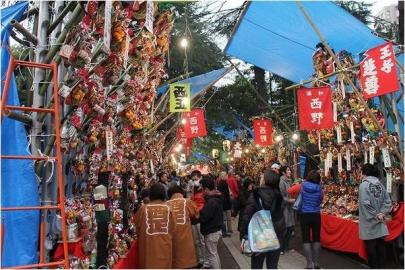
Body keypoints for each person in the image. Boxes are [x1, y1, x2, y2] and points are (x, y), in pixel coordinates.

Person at [241, 169, 285, 269]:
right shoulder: (279, 196)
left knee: (256, 265)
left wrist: (244, 235)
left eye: (262, 177)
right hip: (275, 236)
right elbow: (281, 218)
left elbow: (247, 216)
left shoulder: (256, 195)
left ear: (265, 180)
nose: (260, 178)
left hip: (259, 236)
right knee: (272, 266)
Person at [134, 183, 175, 268]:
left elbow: (136, 226)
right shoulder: (168, 208)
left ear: (151, 195)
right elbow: (173, 229)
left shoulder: (143, 209)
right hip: (164, 246)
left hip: (148, 247)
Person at [358, 164, 392, 269]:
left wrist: (375, 215)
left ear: (364, 173)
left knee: (371, 247)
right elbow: (387, 201)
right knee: (381, 244)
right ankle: (382, 266)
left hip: (369, 221)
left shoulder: (363, 185)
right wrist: (382, 213)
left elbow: (364, 203)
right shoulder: (380, 184)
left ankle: (374, 267)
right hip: (381, 219)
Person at [167, 185, 199, 268]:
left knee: (174, 261)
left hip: (170, 240)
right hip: (186, 239)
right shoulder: (187, 202)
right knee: (187, 262)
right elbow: (196, 215)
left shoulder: (166, 204)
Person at [299, 170, 323, 269]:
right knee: (316, 239)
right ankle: (316, 262)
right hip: (316, 215)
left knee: (306, 239)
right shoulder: (320, 188)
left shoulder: (302, 186)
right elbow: (320, 200)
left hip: (304, 214)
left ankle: (309, 264)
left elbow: (300, 197)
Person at [200, 177, 223, 269]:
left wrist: (198, 214)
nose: (202, 191)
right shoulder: (214, 198)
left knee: (212, 255)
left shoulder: (212, 201)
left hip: (212, 231)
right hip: (214, 230)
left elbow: (205, 216)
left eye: (202, 188)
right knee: (214, 254)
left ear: (206, 189)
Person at [190, 170, 207, 268]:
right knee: (196, 240)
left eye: (195, 177)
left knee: (202, 240)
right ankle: (200, 259)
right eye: (193, 177)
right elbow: (192, 200)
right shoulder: (193, 188)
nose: (194, 179)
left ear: (200, 177)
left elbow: (203, 203)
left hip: (200, 216)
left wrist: (196, 210)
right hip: (194, 217)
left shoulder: (204, 189)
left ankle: (205, 260)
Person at [279, 166, 295, 254]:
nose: (290, 171)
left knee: (290, 227)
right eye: (288, 170)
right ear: (283, 172)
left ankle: (286, 247)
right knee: (285, 227)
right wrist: (289, 200)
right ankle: (281, 248)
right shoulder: (281, 181)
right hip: (284, 207)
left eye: (289, 170)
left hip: (290, 207)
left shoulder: (290, 180)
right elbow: (282, 196)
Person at [218, 171, 233, 236]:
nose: (227, 176)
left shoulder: (222, 183)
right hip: (225, 203)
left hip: (224, 203)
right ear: (223, 176)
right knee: (226, 218)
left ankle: (228, 229)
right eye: (226, 175)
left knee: (225, 218)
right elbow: (225, 195)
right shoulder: (222, 184)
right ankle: (227, 230)